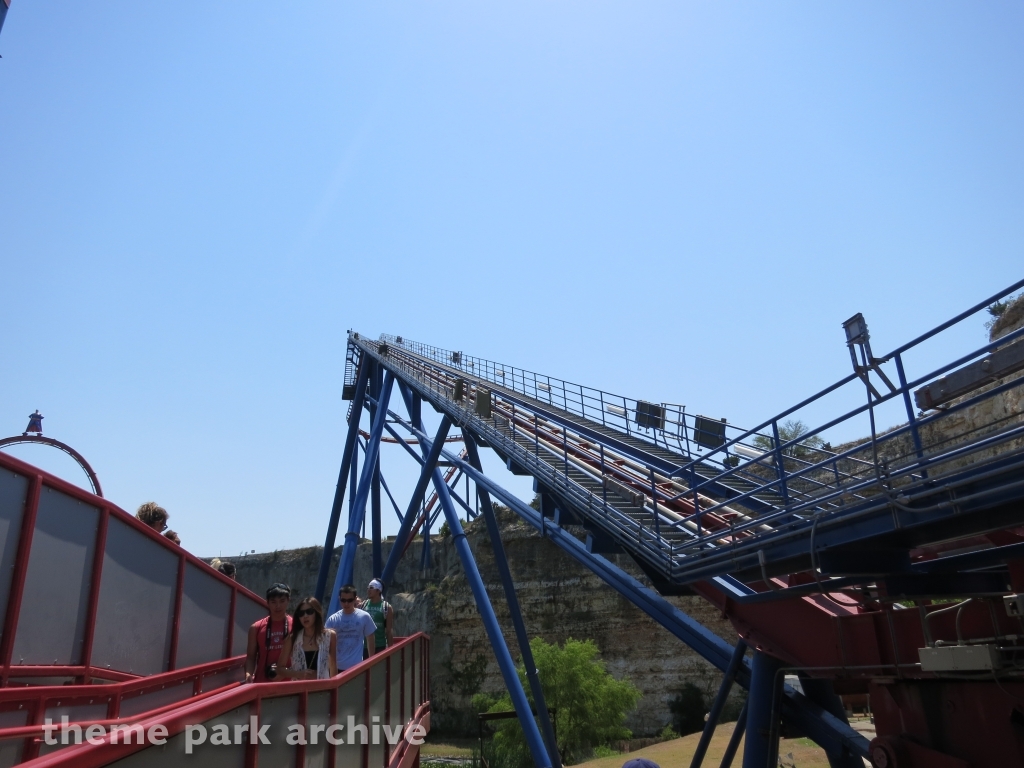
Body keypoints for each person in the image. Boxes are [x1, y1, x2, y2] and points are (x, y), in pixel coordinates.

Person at [277, 598, 337, 680]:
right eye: (301, 613)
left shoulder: (330, 636)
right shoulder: (292, 639)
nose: (305, 616)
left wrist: (334, 689)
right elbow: (279, 669)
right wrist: (299, 674)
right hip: (300, 690)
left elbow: (333, 665)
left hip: (322, 690)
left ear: (316, 613)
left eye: (309, 612)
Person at [244, 583, 292, 683]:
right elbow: (250, 658)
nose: (278, 606)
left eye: (282, 601)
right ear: (267, 603)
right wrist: (248, 674)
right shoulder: (256, 628)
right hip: (262, 685)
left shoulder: (297, 626)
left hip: (290, 686)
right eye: (273, 602)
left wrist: (285, 672)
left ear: (288, 601)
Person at [324, 584, 377, 672]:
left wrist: (371, 661)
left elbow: (370, 638)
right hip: (337, 667)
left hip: (357, 667)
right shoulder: (333, 619)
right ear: (339, 599)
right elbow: (325, 642)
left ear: (355, 599)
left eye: (350, 600)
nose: (346, 603)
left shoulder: (364, 616)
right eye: (343, 600)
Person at [363, 579, 394, 650]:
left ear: (379, 590)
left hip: (380, 646)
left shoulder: (386, 607)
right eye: (368, 588)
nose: (368, 590)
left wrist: (391, 649)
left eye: (371, 588)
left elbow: (389, 630)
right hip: (364, 646)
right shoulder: (363, 605)